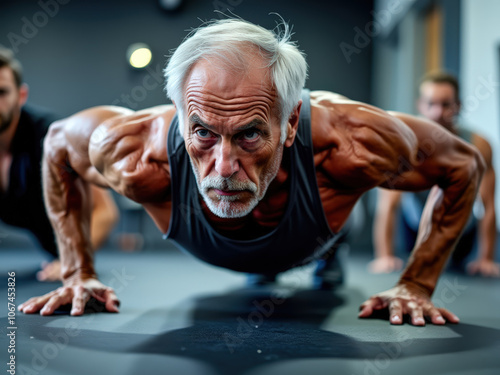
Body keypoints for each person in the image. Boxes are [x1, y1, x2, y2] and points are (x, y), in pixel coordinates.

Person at [18, 19, 484, 326]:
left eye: (248, 136)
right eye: (202, 132)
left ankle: (327, 259)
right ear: (180, 116)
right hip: (224, 247)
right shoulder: (138, 152)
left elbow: (464, 165)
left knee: (331, 235)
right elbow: (58, 141)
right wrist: (78, 272)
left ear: (291, 123)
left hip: (321, 232)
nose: (223, 167)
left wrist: (416, 283)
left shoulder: (349, 143)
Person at [0, 47, 119, 281]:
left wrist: (72, 259)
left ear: (21, 96)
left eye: (2, 92)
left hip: (71, 251)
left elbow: (105, 213)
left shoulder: (52, 137)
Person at [370, 72, 499, 277]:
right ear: (420, 105)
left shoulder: (479, 145)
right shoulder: (402, 143)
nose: (438, 112)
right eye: (432, 104)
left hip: (461, 234)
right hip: (415, 231)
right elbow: (388, 204)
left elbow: (489, 205)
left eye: (446, 104)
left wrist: (486, 259)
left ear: (458, 105)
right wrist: (384, 255)